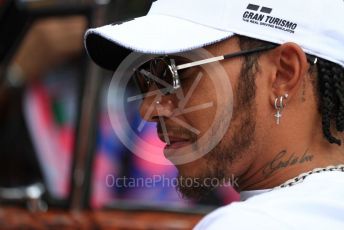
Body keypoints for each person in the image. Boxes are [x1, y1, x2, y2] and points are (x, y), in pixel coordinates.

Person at [84, 0, 344, 229]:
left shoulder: (251, 224)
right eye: (144, 78)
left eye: (174, 73)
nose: (148, 109)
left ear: (283, 74)